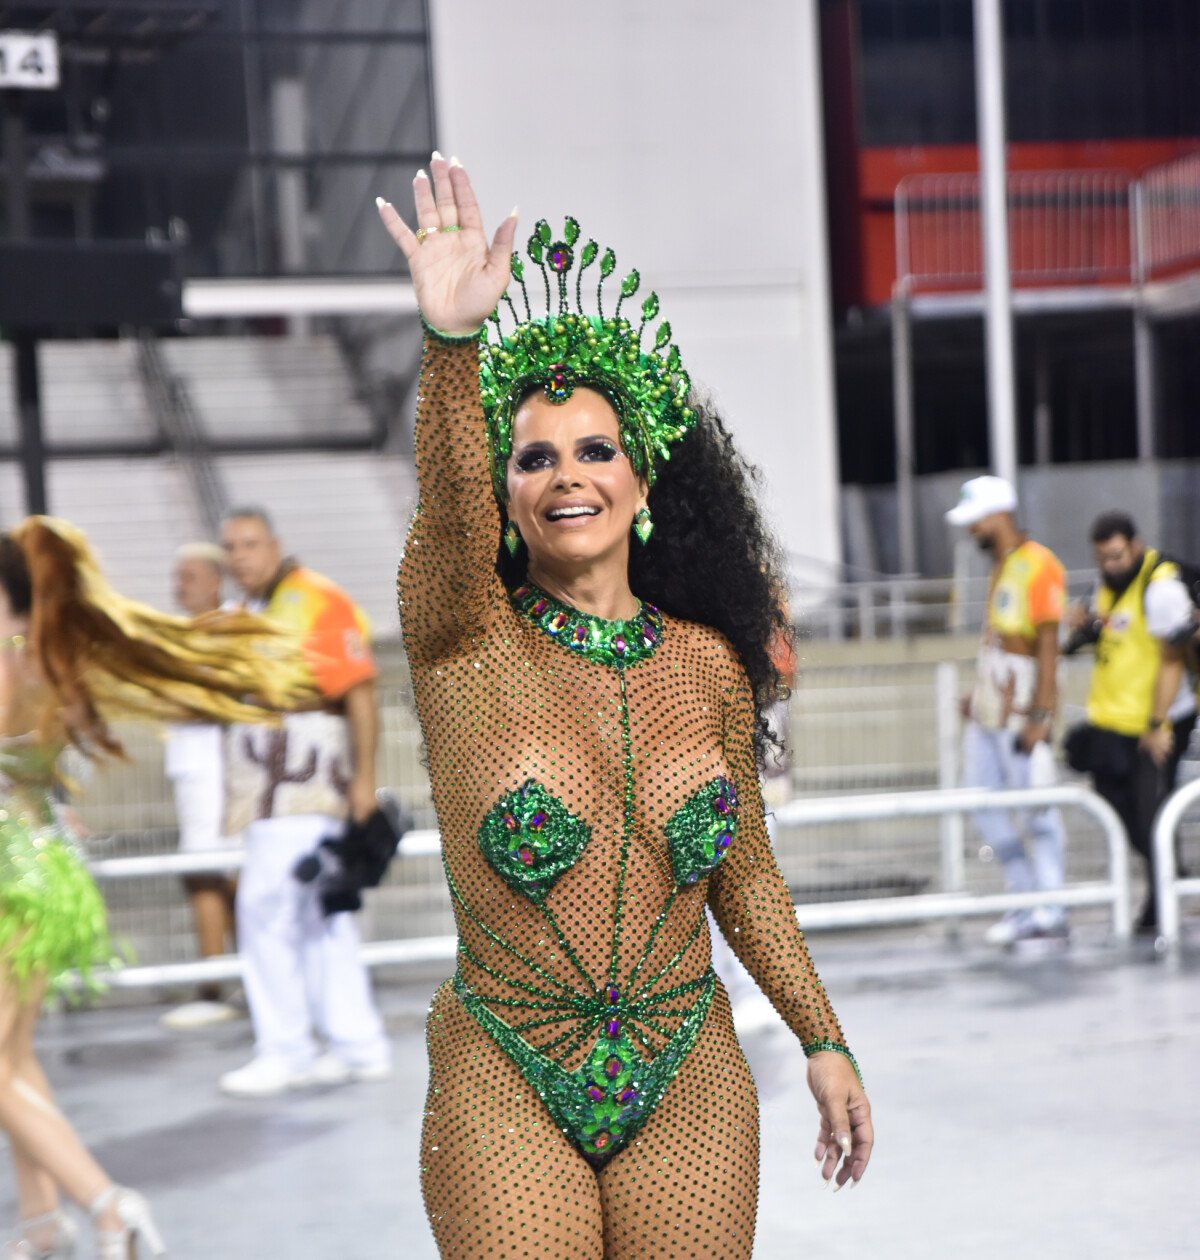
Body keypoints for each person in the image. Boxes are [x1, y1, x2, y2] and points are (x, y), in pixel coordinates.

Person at [377, 153, 872, 1256]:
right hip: (505, 1065)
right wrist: (453, 344)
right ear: (505, 499)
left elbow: (743, 871)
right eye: (534, 458)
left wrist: (823, 1038)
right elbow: (446, 513)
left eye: (596, 450)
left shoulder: (706, 666)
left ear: (643, 485)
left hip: (687, 1063)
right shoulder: (462, 644)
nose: (567, 475)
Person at [0, 516, 314, 1260]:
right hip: (44, 870)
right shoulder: (52, 657)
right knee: (15, 1058)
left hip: (10, 876)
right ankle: (44, 1224)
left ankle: (110, 1208)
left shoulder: (13, 657)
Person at [217, 508, 391, 1098]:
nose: (239, 556)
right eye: (230, 547)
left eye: (249, 543)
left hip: (303, 786)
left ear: (274, 544)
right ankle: (356, 1044)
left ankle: (285, 1049)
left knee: (267, 911)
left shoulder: (317, 600)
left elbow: (360, 695)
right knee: (321, 917)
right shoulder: (243, 615)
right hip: (268, 789)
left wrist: (364, 782)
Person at [946, 475, 1069, 949]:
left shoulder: (1040, 565)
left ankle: (1051, 908)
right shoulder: (1001, 564)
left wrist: (1042, 714)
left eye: (974, 522)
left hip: (1021, 708)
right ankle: (1025, 898)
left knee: (1035, 806)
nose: (970, 531)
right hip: (992, 706)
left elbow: (1046, 645)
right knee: (981, 798)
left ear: (997, 516)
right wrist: (978, 698)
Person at [1065, 512, 1197, 934]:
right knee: (1120, 807)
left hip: (1156, 721)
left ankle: (1162, 908)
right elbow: (1108, 635)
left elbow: (1172, 660)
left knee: (1152, 814)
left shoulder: (1160, 588)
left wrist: (1158, 725)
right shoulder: (1108, 586)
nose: (1110, 565)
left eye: (1118, 555)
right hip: (1114, 719)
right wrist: (1084, 629)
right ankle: (1170, 879)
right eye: (1103, 558)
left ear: (1136, 546)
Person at [161, 543, 240, 1030]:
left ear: (215, 580)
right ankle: (228, 977)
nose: (180, 585)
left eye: (189, 575)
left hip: (215, 767)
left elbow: (219, 696)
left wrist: (163, 696)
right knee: (208, 874)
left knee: (216, 873)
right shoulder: (184, 633)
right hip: (193, 767)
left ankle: (215, 985)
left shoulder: (228, 627)